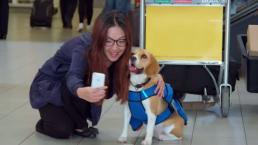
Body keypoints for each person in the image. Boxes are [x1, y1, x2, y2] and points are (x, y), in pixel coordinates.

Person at [29, 10, 164, 139]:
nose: (115, 48)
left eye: (121, 41)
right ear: (100, 38)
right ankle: (55, 122)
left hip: (76, 92)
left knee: (70, 122)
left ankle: (76, 121)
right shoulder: (82, 47)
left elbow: (142, 65)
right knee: (62, 130)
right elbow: (73, 76)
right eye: (108, 41)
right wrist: (81, 91)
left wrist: (156, 76)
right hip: (52, 87)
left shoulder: (124, 53)